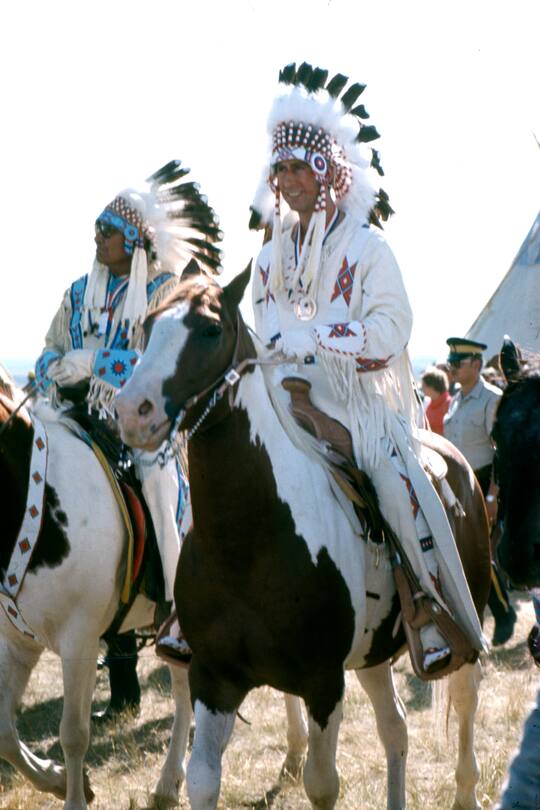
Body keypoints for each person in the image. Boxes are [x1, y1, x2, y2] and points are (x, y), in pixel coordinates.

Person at [250, 61, 487, 674]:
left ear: (328, 170)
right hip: (285, 397)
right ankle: (193, 604)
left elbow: (392, 328)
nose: (289, 177)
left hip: (361, 406)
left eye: (301, 165)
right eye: (281, 167)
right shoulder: (269, 256)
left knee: (391, 478)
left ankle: (427, 608)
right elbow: (265, 326)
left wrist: (318, 337)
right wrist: (284, 352)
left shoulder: (368, 247)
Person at [34, 161, 222, 715]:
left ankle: (175, 603)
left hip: (140, 426)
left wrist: (95, 362)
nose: (97, 238)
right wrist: (55, 368)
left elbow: (159, 361)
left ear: (134, 239)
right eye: (97, 228)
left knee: (159, 482)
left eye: (107, 231)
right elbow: (48, 348)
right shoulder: (77, 292)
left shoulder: (165, 291)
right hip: (74, 417)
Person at [443, 337, 516, 646]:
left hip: (484, 482)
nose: (452, 369)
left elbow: (501, 452)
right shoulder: (457, 399)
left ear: (475, 364)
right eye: (450, 364)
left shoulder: (492, 399)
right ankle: (481, 618)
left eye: (457, 364)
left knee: (480, 553)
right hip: (459, 483)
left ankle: (503, 614)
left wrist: (492, 495)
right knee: (464, 554)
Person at [421, 366, 451, 435]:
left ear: (432, 386)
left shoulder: (449, 404)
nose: (422, 389)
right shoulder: (429, 402)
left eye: (424, 386)